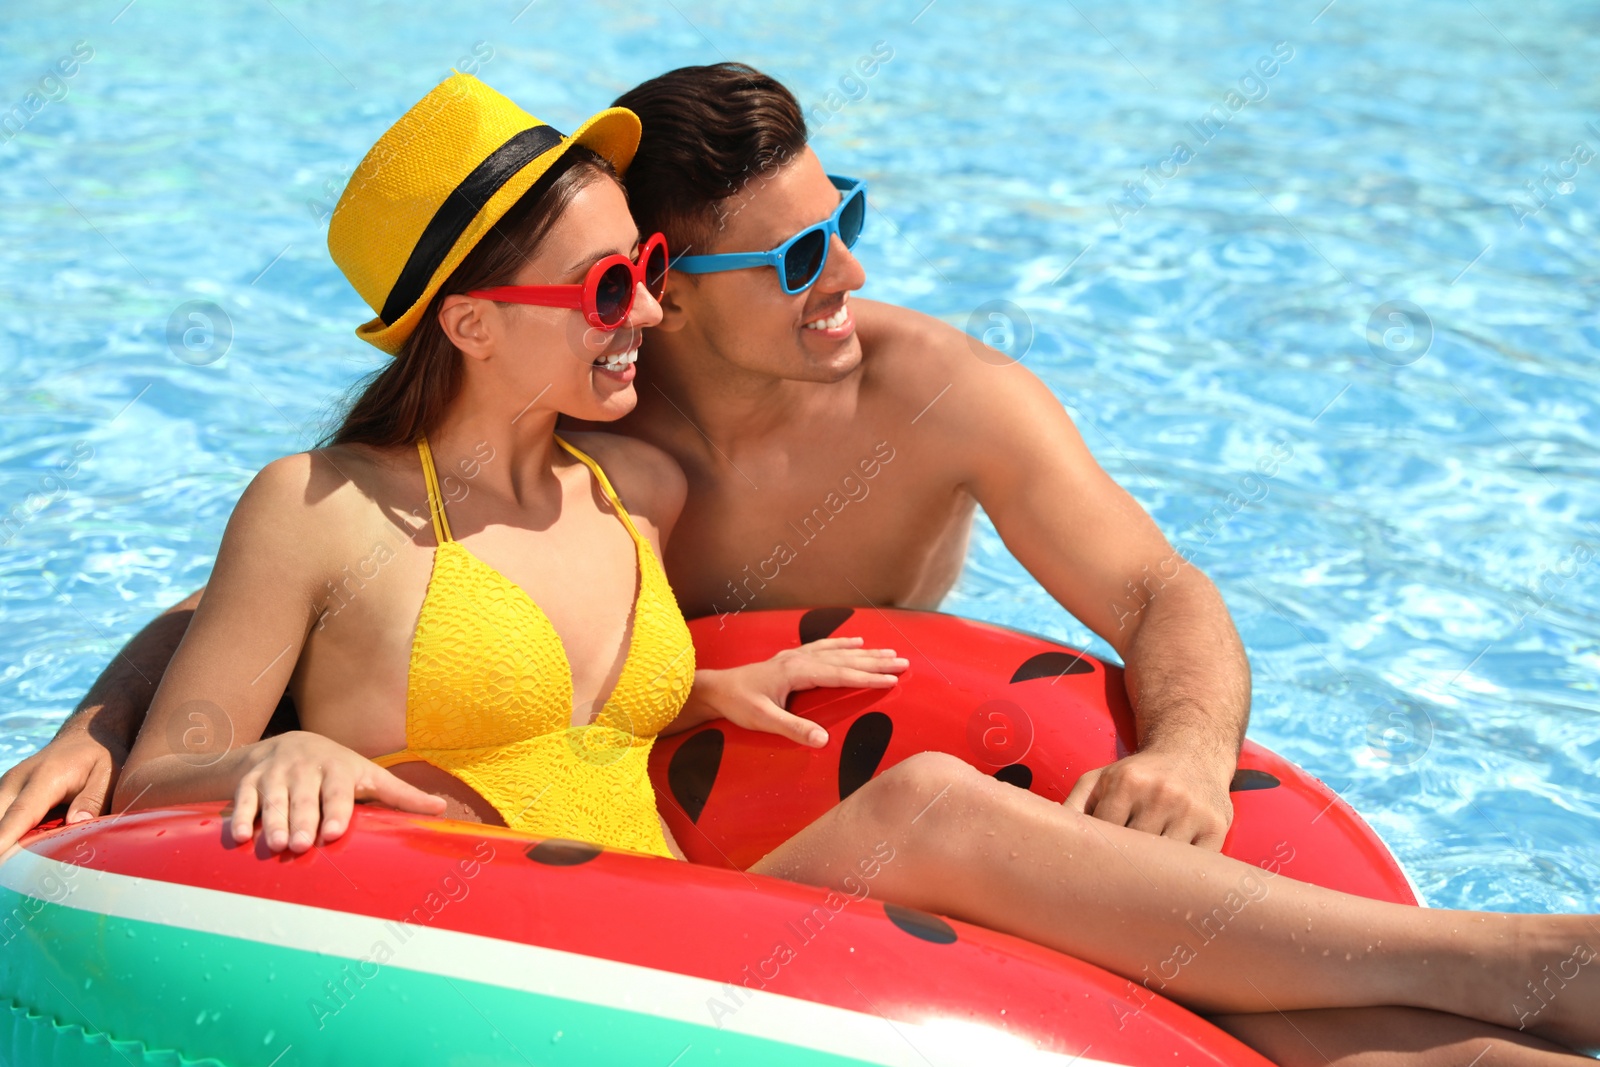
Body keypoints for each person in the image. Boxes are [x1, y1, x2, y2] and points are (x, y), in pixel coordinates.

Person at [91, 73, 1599, 1067]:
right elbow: (229, 672)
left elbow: (1160, 588)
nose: (646, 310)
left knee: (1235, 1016)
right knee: (935, 811)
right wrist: (133, 738)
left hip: (672, 914)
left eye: (844, 223)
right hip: (518, 967)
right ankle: (1508, 954)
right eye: (614, 283)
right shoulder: (428, 490)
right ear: (485, 322)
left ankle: (1494, 1012)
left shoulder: (636, 497)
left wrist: (697, 684)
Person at [1, 63, 1247, 855]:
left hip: (784, 767)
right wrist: (105, 725)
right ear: (674, 286)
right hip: (590, 814)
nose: (851, 281)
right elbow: (322, 565)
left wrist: (1187, 753)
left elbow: (1156, 590)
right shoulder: (582, 420)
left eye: (844, 220)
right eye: (797, 256)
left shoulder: (946, 399)